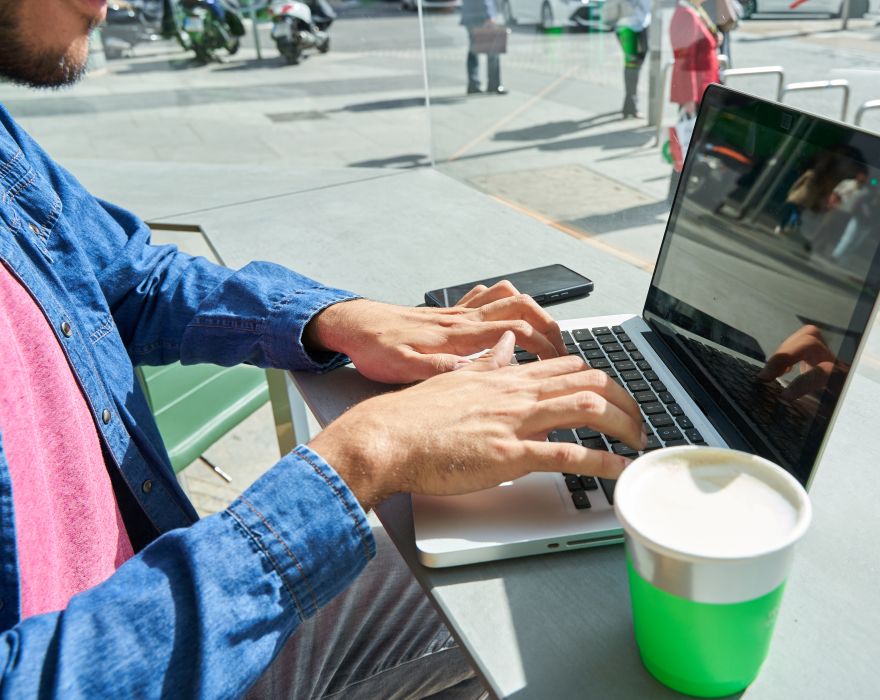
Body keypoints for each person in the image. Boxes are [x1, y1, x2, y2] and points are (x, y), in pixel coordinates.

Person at [0, 1, 644, 697]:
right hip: (148, 647)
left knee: (498, 555)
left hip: (157, 585)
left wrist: (336, 319)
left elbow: (127, 277)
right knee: (550, 589)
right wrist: (362, 456)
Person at [669, 0, 720, 118]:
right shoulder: (686, 14)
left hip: (702, 87)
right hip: (697, 91)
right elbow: (684, 59)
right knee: (691, 131)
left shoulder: (693, 10)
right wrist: (688, 98)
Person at [610, 0, 652, 119]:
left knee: (634, 63)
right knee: (633, 63)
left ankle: (630, 103)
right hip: (630, 25)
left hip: (639, 23)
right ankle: (631, 105)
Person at [461, 0, 506, 95]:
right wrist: (489, 16)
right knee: (493, 51)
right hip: (482, 17)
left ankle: (473, 84)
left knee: (473, 51)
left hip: (470, 16)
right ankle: (493, 85)